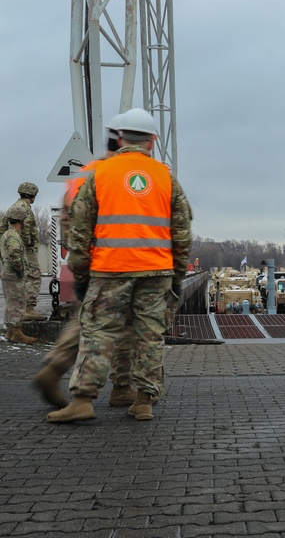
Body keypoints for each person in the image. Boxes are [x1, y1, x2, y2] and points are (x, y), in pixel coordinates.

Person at [46, 108, 193, 424]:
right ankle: (143, 402)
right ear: (152, 141)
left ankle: (83, 401)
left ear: (120, 138)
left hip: (110, 270)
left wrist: (82, 273)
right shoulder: (166, 177)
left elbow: (82, 229)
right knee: (149, 336)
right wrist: (177, 275)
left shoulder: (101, 174)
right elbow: (182, 232)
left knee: (98, 334)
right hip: (157, 273)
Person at [33, 121, 137, 409]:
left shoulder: (83, 175)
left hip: (86, 260)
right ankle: (121, 387)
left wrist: (79, 258)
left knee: (84, 321)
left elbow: (68, 220)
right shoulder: (118, 174)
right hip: (115, 263)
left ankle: (54, 367)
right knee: (123, 325)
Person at [1, 182, 44, 321]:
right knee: (33, 276)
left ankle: (18, 312)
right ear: (32, 195)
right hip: (25, 248)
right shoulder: (25, 208)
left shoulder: (12, 207)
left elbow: (2, 228)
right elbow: (26, 230)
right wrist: (28, 245)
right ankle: (28, 308)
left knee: (18, 279)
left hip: (13, 246)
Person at [1, 204, 38, 344]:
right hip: (13, 274)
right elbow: (14, 254)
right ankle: (17, 333)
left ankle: (10, 331)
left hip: (7, 272)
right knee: (18, 302)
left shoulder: (6, 234)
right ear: (21, 220)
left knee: (11, 303)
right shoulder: (14, 236)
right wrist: (21, 270)